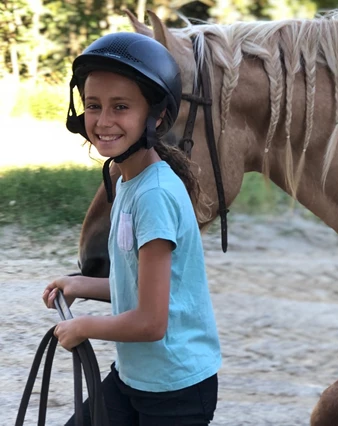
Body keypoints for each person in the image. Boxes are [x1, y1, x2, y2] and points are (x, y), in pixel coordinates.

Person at [42, 31, 222, 426]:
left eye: (120, 107)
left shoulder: (153, 195)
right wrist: (79, 286)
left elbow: (150, 322)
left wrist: (84, 326)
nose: (103, 121)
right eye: (93, 106)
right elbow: (136, 289)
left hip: (176, 392)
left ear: (155, 116)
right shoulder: (128, 181)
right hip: (136, 378)